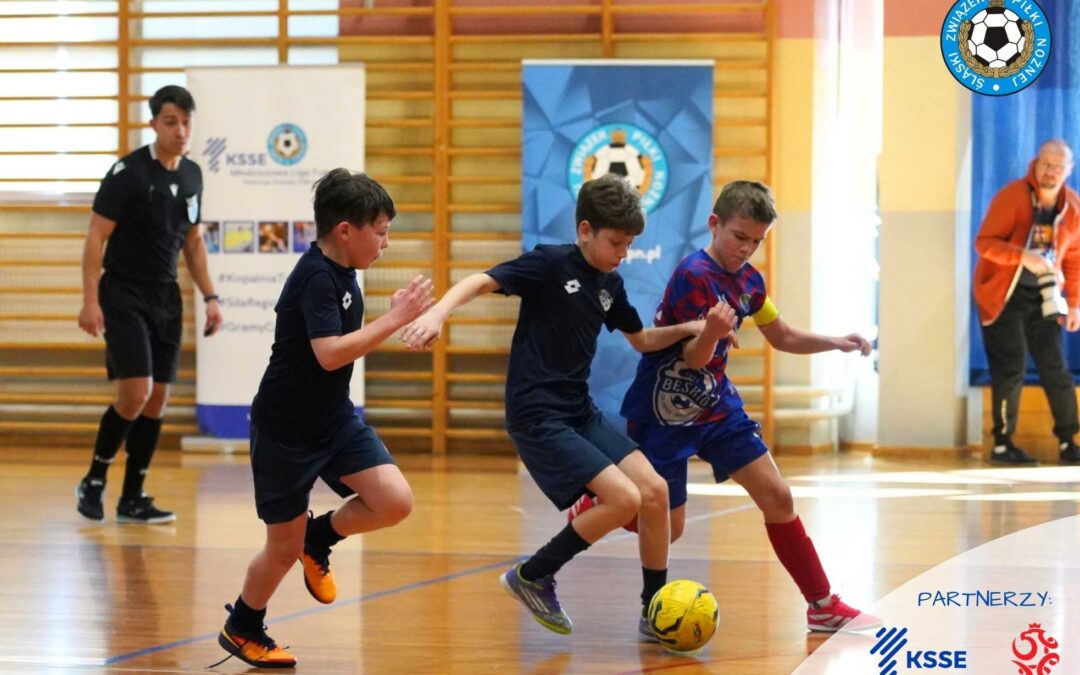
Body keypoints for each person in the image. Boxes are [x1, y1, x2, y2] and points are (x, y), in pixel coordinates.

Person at [401, 174, 703, 639]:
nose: (622, 253)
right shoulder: (549, 264)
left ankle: (652, 612)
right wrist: (438, 312)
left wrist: (690, 328)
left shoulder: (610, 284)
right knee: (623, 497)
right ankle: (533, 575)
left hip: (577, 411)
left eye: (628, 245)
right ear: (585, 231)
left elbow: (641, 340)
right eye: (616, 242)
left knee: (655, 493)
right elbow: (481, 282)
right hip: (537, 414)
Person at [570, 180, 876, 633]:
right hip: (665, 410)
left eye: (757, 241)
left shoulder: (750, 282)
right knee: (668, 529)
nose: (747, 249)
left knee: (778, 495)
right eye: (739, 237)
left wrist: (836, 342)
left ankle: (821, 604)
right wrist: (712, 332)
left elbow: (782, 335)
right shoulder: (694, 275)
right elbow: (694, 358)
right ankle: (602, 501)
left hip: (715, 407)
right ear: (714, 225)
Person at [215, 169, 433, 669]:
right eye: (380, 231)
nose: (386, 242)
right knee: (281, 550)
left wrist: (399, 323)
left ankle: (323, 535)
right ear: (345, 231)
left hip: (333, 421)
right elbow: (330, 354)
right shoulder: (314, 276)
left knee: (395, 501)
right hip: (285, 431)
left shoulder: (345, 274)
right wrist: (394, 319)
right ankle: (243, 626)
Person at [75, 85, 222, 524]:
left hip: (165, 297)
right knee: (135, 394)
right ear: (154, 123)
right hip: (122, 293)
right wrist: (89, 301)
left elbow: (193, 243)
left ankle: (132, 498)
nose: (180, 131)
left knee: (157, 400)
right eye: (171, 122)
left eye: (186, 122)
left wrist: (210, 296)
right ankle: (95, 479)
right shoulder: (128, 174)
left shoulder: (193, 175)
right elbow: (95, 237)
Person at [973, 139, 1080, 466]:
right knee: (1011, 367)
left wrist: (1074, 303)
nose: (1050, 172)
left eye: (1057, 167)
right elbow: (984, 243)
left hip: (1044, 298)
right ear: (1036, 163)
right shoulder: (1013, 197)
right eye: (1045, 164)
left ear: (1068, 170)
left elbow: (1074, 259)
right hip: (1003, 297)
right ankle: (1003, 445)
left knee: (1055, 368)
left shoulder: (1072, 208)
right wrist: (1022, 256)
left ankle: (1068, 441)